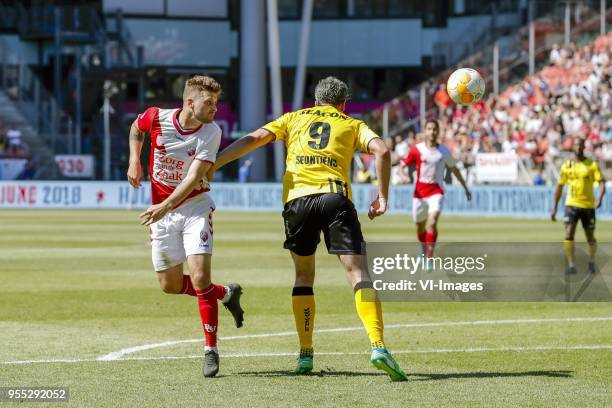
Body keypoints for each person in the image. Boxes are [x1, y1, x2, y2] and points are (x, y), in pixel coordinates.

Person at [211, 76, 408, 381]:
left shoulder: (293, 118)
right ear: (344, 103)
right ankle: (378, 346)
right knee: (358, 274)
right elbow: (382, 151)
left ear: (315, 101)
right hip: (335, 199)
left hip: (297, 203)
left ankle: (305, 354)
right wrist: (382, 198)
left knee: (303, 276)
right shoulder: (351, 124)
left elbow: (253, 139)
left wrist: (215, 163)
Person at [126, 75, 244, 378]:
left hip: (194, 208)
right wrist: (134, 161)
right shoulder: (156, 117)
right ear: (190, 102)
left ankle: (210, 349)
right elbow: (135, 128)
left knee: (201, 277)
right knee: (171, 286)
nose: (215, 108)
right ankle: (226, 294)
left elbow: (193, 178)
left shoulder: (211, 132)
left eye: (216, 103)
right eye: (209, 102)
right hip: (163, 215)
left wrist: (166, 204)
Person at [399, 119, 471, 260]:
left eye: (434, 129)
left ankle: (429, 258)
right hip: (419, 193)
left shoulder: (443, 151)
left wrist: (465, 188)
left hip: (436, 191)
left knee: (432, 222)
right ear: (425, 131)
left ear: (438, 132)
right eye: (429, 129)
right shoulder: (417, 149)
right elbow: (403, 165)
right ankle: (424, 250)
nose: (432, 132)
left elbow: (454, 169)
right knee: (420, 227)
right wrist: (403, 176)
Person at [551, 137, 606, 274]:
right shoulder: (567, 165)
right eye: (576, 145)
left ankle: (592, 262)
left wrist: (599, 198)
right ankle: (571, 265)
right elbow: (560, 186)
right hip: (571, 204)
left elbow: (601, 182)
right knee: (569, 234)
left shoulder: (591, 165)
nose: (578, 147)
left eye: (580, 145)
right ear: (572, 147)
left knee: (590, 237)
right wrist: (555, 207)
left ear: (584, 147)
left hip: (588, 205)